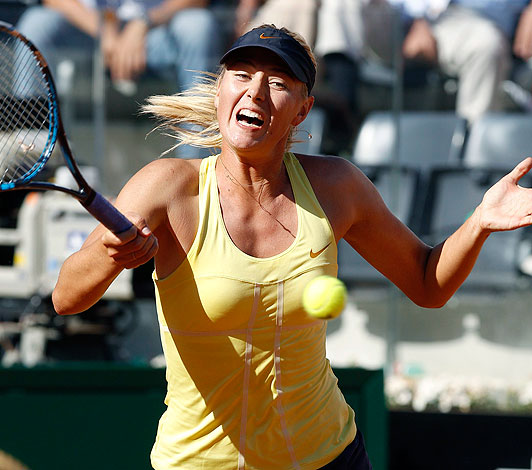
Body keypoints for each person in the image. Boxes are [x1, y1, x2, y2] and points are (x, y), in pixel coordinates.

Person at [52, 24, 532, 469]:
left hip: (327, 456)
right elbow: (66, 298)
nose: (256, 91)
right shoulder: (166, 187)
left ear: (303, 109)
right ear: (221, 89)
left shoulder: (337, 186)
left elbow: (429, 284)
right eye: (241, 75)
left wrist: (480, 222)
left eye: (279, 82)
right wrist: (108, 255)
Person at [315, 0, 532, 130]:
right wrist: (419, 21)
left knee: (487, 45)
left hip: (468, 23)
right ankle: (341, 112)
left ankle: (470, 146)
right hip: (401, 19)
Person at [16, 0, 222, 96]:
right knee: (36, 24)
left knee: (198, 26)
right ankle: (31, 153)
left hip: (156, 31)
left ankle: (197, 162)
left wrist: (143, 22)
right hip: (86, 29)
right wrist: (103, 30)